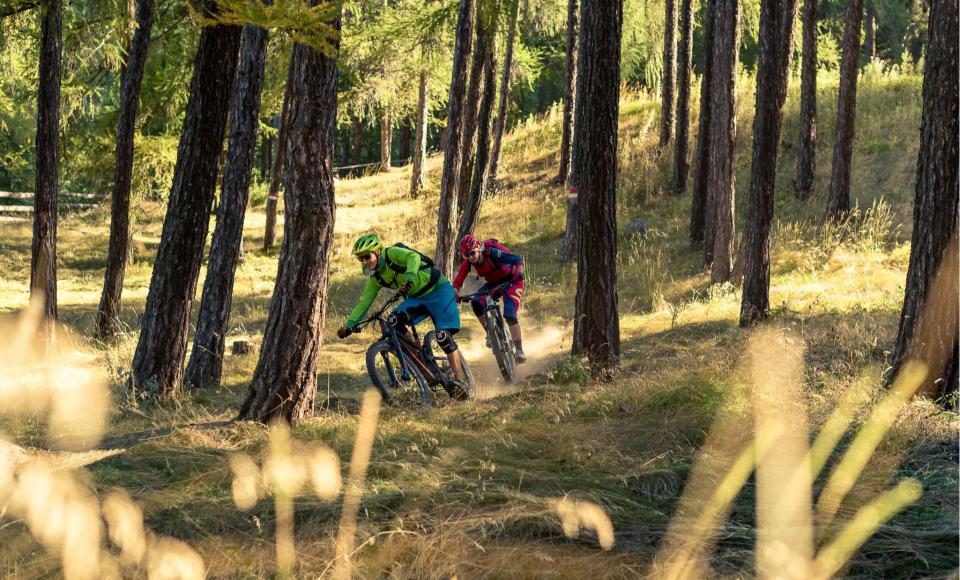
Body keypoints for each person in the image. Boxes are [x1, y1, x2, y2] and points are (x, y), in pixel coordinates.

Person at [337, 233, 468, 384]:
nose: (364, 262)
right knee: (393, 321)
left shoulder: (391, 254)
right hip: (417, 299)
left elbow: (413, 257)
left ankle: (461, 382)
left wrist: (410, 277)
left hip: (439, 290)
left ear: (377, 251)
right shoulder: (376, 278)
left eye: (367, 256)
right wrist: (350, 325)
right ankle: (421, 358)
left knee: (443, 336)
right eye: (361, 258)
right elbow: (364, 303)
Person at [452, 234, 527, 363]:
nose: (470, 257)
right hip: (493, 283)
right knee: (476, 303)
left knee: (509, 314)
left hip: (512, 280)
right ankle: (490, 333)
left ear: (478, 249)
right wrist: (454, 295)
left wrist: (519, 273)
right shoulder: (468, 263)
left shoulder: (492, 253)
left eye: (472, 253)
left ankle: (519, 350)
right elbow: (457, 282)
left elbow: (517, 260)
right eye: (466, 255)